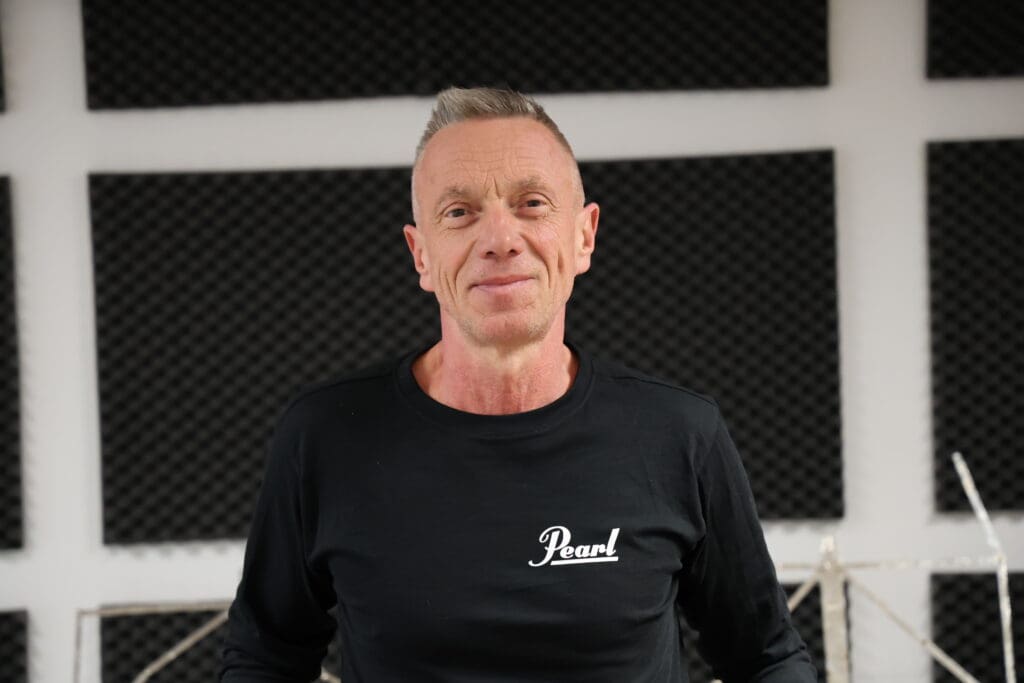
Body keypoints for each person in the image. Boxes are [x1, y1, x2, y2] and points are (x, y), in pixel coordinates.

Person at [220, 86, 817, 682]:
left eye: (532, 204)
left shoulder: (679, 434)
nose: (500, 239)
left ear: (584, 236)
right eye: (459, 212)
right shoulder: (325, 437)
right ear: (420, 254)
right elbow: (263, 661)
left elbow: (766, 658)